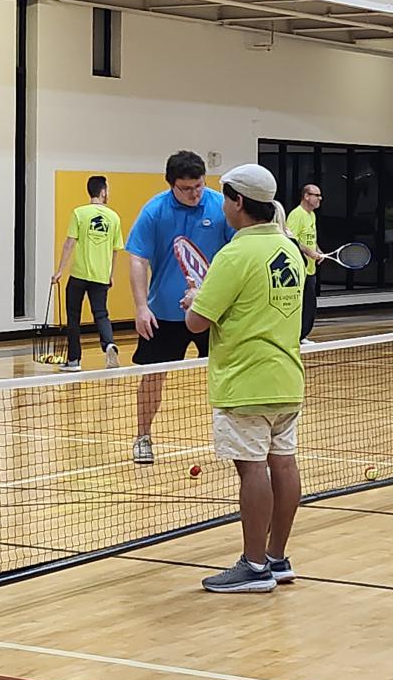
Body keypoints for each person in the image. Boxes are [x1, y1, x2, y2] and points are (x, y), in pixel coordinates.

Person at [183, 163, 305, 594]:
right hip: (287, 379)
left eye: (225, 198)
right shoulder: (289, 248)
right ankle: (277, 558)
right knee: (284, 464)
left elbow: (197, 323)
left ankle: (254, 567)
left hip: (245, 381)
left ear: (238, 202)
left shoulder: (235, 254)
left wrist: (195, 299)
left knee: (253, 471)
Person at [125, 150, 234, 464]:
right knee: (153, 377)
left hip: (211, 311)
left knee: (224, 374)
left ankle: (227, 436)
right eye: (186, 188)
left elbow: (236, 253)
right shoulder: (154, 211)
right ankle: (143, 437)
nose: (194, 193)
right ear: (171, 184)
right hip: (164, 315)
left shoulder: (218, 205)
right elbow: (137, 259)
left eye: (198, 185)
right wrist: (141, 307)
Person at [52, 175, 124, 371]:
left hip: (78, 276)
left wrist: (59, 271)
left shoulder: (79, 213)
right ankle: (108, 344)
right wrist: (110, 274)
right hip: (101, 276)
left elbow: (69, 243)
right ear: (102, 192)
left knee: (73, 318)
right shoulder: (114, 217)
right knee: (101, 314)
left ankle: (74, 360)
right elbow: (115, 249)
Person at [285, 182, 327, 343]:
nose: (320, 198)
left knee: (310, 305)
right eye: (316, 195)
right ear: (306, 196)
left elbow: (310, 238)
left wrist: (318, 250)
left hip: (311, 269)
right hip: (299, 269)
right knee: (302, 305)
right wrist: (309, 252)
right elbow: (291, 240)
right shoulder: (296, 215)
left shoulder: (312, 215)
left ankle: (303, 335)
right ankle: (298, 336)